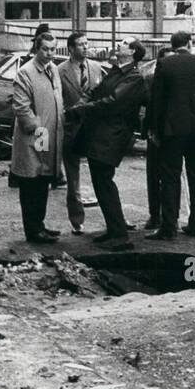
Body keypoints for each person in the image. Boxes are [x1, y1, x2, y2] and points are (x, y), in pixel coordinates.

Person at [67, 40, 147, 245]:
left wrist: (83, 109)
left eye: (125, 43)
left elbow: (113, 102)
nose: (119, 44)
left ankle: (120, 234)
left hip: (114, 134)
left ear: (132, 52)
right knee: (100, 181)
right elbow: (98, 90)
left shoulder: (134, 77)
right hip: (102, 133)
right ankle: (114, 229)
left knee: (104, 180)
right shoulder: (117, 71)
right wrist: (84, 100)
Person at [147, 30, 195, 239]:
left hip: (172, 131)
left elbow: (157, 100)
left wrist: (154, 129)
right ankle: (194, 224)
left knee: (170, 177)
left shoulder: (164, 65)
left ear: (173, 46)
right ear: (189, 43)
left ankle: (169, 226)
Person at [10, 27, 64, 244]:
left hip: (49, 136)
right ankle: (32, 230)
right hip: (36, 136)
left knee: (43, 181)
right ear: (36, 48)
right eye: (45, 49)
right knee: (31, 182)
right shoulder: (26, 72)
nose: (50, 53)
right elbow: (21, 107)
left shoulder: (53, 69)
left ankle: (40, 225)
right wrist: (37, 128)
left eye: (53, 49)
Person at [57, 30, 105, 234]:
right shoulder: (60, 70)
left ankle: (111, 219)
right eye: (80, 44)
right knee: (73, 178)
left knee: (102, 175)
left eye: (87, 43)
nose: (85, 47)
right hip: (70, 130)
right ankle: (77, 220)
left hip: (93, 130)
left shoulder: (96, 68)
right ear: (71, 48)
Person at [140, 48, 168, 230]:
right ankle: (154, 214)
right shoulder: (149, 80)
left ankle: (168, 215)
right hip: (155, 133)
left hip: (171, 133)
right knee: (153, 176)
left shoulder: (175, 80)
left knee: (169, 177)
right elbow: (145, 106)